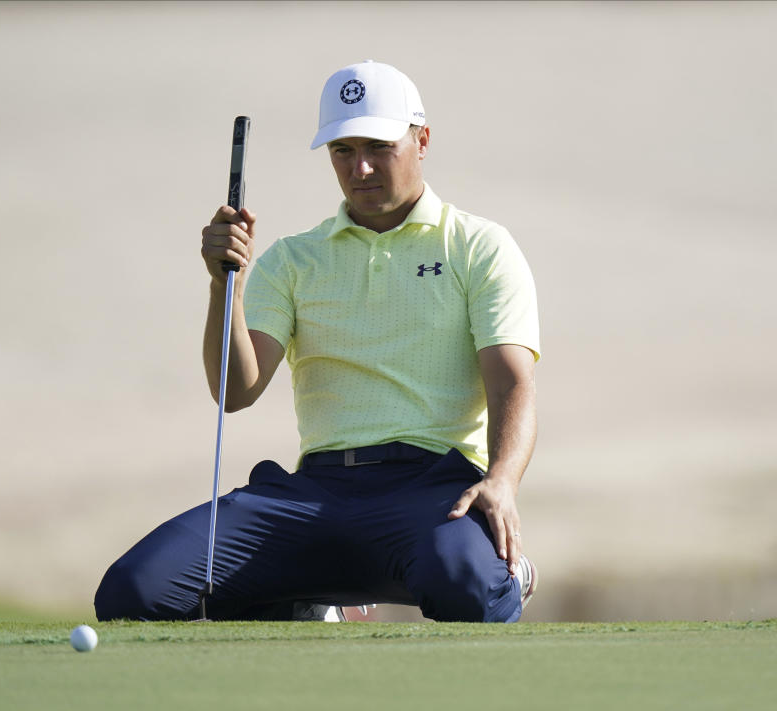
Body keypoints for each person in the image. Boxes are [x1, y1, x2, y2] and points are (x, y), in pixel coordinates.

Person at [95, 61, 540, 623]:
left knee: (468, 588)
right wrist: (223, 285)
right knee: (133, 591)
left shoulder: (478, 246)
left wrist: (501, 482)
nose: (361, 167)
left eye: (379, 146)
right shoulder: (293, 259)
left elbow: (512, 381)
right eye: (342, 151)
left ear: (422, 140)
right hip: (315, 494)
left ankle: (511, 573)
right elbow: (237, 390)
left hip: (432, 489)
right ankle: (301, 601)